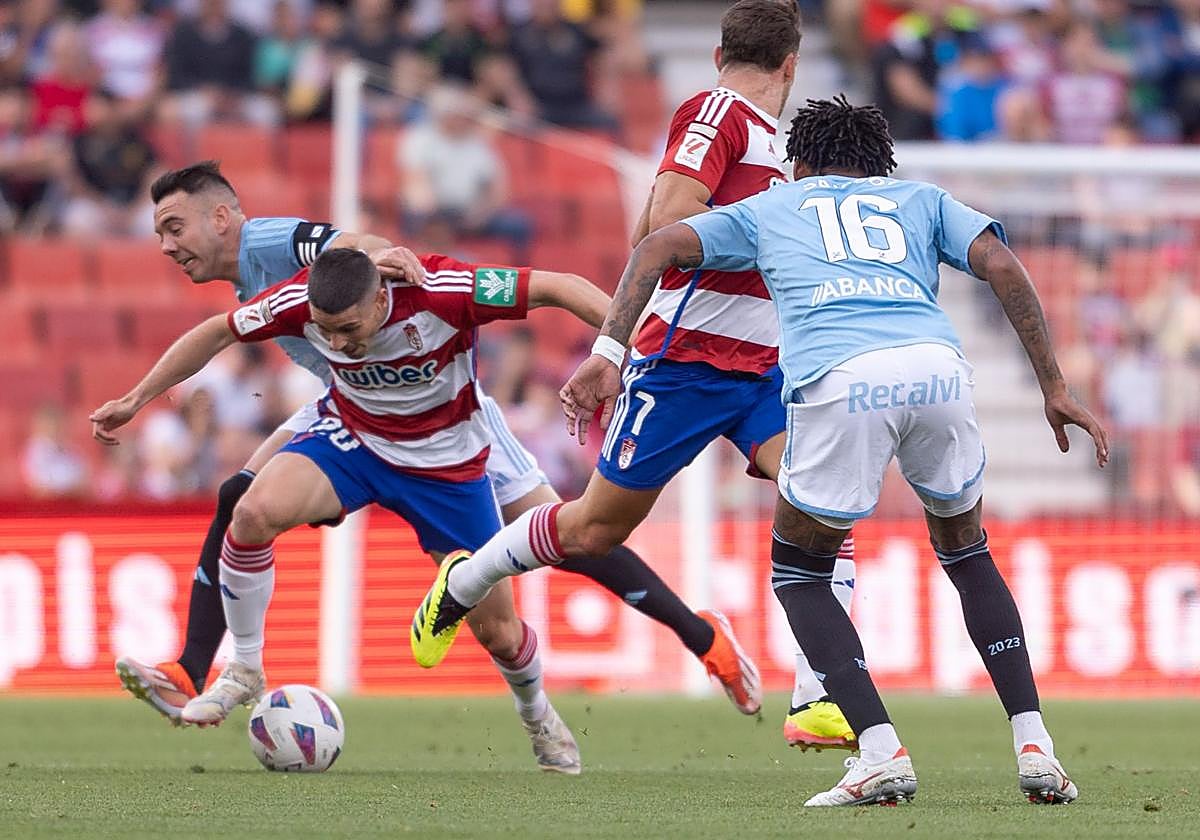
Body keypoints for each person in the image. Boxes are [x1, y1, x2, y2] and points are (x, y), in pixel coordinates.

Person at [558, 96, 1109, 806]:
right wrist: (1054, 386)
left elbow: (657, 244)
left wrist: (608, 351)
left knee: (800, 571)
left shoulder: (776, 206)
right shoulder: (922, 198)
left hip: (842, 378)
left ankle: (880, 751)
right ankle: (1037, 749)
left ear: (802, 162)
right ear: (882, 161)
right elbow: (1001, 263)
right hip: (938, 370)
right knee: (968, 554)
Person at [104, 162, 759, 749]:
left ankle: (688, 641)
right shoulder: (291, 299)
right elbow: (219, 333)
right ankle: (223, 665)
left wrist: (621, 353)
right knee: (244, 506)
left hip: (456, 432)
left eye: (174, 226)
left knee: (572, 543)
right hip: (352, 419)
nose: (166, 245)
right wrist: (137, 398)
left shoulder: (375, 273)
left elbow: (359, 247)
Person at [410, 0, 859, 752]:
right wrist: (614, 351)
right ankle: (460, 584)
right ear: (791, 64)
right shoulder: (718, 113)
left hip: (763, 370)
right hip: (683, 365)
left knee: (823, 495)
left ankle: (821, 695)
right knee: (593, 528)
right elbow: (666, 229)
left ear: (722, 52)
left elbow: (656, 220)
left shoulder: (781, 148)